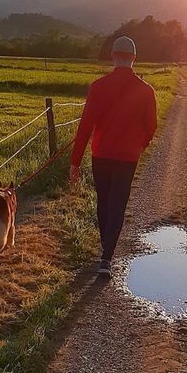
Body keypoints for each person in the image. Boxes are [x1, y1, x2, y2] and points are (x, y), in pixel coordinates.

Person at [69, 36, 157, 278]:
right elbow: (151, 126)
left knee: (104, 201)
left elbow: (85, 127)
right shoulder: (146, 90)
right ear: (134, 59)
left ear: (112, 57)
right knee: (118, 203)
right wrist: (140, 144)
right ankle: (107, 257)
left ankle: (105, 249)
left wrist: (75, 162)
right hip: (128, 157)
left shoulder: (98, 87)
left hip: (101, 154)